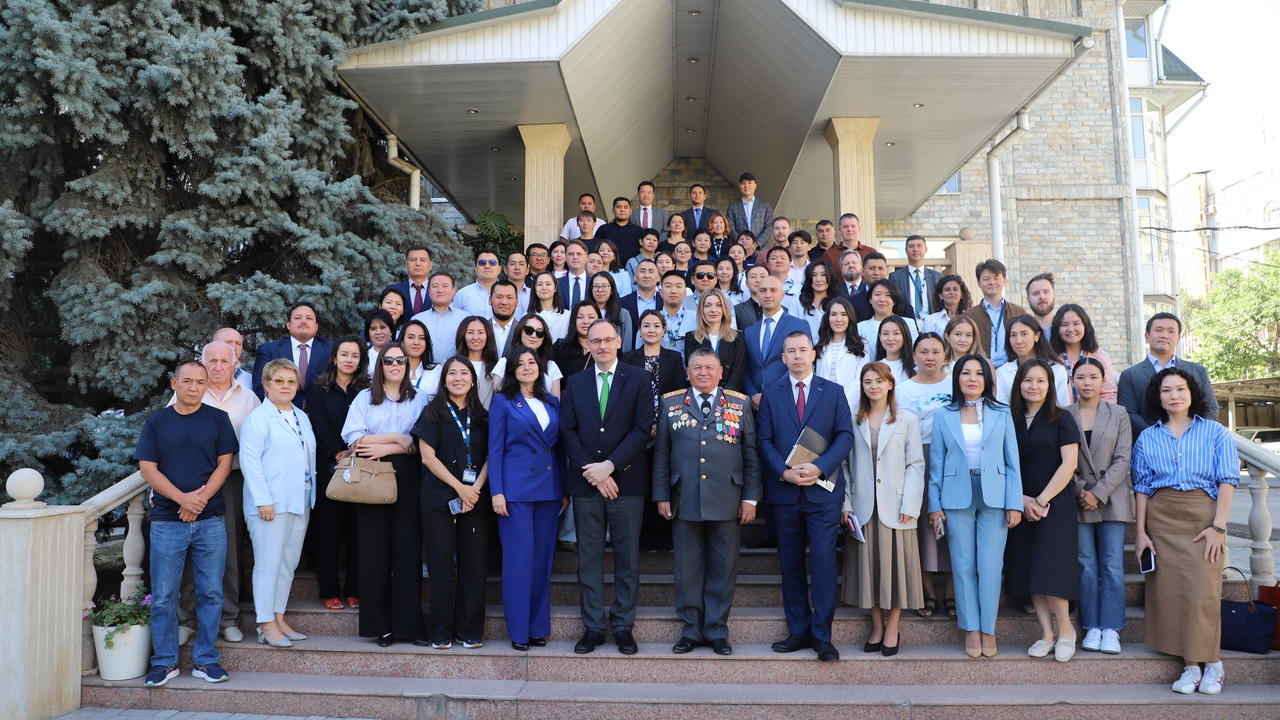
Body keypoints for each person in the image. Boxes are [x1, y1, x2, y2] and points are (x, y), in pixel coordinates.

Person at [1133, 367, 1238, 694]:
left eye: (1180, 389)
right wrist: (1140, 532)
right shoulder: (1148, 436)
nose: (1174, 396)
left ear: (1192, 394)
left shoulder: (1215, 433)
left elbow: (1227, 480)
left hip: (1202, 518)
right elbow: (1142, 487)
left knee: (1202, 591)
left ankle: (1214, 663)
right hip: (1161, 518)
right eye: (1166, 391)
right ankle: (1190, 667)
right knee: (1170, 593)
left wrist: (1218, 527)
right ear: (1158, 397)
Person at [652, 349, 761, 655]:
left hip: (727, 497)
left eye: (708, 368)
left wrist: (750, 497)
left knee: (723, 567)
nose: (702, 372)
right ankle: (690, 630)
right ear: (687, 372)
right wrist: (661, 494)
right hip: (684, 497)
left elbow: (750, 453)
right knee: (686, 568)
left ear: (720, 372)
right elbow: (662, 452)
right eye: (696, 368)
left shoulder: (738, 404)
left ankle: (716, 630)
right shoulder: (672, 402)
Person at [137, 361, 237, 687]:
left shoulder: (218, 420)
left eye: (200, 382)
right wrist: (183, 499)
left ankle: (206, 661)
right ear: (174, 383)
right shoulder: (157, 422)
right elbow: (148, 469)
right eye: (187, 381)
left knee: (210, 592)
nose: (193, 387)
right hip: (168, 521)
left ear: (206, 385)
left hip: (210, 520)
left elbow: (225, 464)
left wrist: (200, 500)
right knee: (165, 595)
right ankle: (165, 662)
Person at [756, 331, 855, 662]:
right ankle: (797, 629)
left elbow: (844, 436)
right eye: (790, 351)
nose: (797, 356)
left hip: (821, 493)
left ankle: (822, 635)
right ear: (783, 358)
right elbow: (764, 441)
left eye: (803, 350)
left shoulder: (834, 392)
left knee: (825, 563)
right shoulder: (771, 393)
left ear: (813, 355)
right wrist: (783, 472)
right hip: (784, 491)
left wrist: (821, 468)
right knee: (791, 563)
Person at [560, 320, 656, 655]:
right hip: (586, 484)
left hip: (626, 483)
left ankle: (622, 626)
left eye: (607, 340)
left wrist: (611, 467)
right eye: (594, 341)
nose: (601, 346)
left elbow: (643, 429)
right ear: (587, 345)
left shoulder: (640, 379)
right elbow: (567, 430)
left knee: (627, 559)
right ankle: (593, 628)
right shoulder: (575, 382)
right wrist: (594, 472)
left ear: (618, 341)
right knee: (589, 559)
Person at [927, 354, 1022, 659]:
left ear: (987, 380)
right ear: (957, 378)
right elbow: (936, 465)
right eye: (966, 373)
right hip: (956, 496)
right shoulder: (943, 415)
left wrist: (1015, 503)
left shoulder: (1002, 413)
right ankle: (970, 628)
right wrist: (934, 505)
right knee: (963, 565)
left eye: (978, 374)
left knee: (991, 566)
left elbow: (1012, 463)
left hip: (994, 494)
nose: (972, 378)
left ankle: (988, 629)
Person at [170, 341, 259, 646]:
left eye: (225, 361)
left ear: (236, 364)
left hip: (232, 481)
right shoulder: (187, 392)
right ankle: (187, 619)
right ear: (204, 363)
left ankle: (229, 618)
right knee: (191, 548)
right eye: (213, 361)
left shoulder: (248, 399)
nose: (219, 366)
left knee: (230, 551)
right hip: (189, 482)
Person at [341, 342, 428, 647]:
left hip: (408, 478)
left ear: (407, 365)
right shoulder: (365, 398)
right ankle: (382, 627)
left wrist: (390, 446)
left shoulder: (419, 399)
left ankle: (410, 626)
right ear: (380, 365)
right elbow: (355, 439)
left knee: (407, 552)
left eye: (400, 361)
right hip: (371, 477)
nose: (394, 365)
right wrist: (396, 439)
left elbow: (419, 442)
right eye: (388, 360)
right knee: (374, 553)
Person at [842, 362, 926, 655]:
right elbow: (845, 466)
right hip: (864, 507)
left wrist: (911, 504)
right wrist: (847, 503)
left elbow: (916, 464)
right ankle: (876, 625)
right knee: (869, 571)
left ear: (890, 384)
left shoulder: (906, 420)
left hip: (897, 506)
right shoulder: (853, 420)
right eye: (867, 381)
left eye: (879, 380)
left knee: (896, 571)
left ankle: (893, 626)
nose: (873, 386)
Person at [413, 357, 493, 649]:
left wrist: (475, 490)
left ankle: (470, 630)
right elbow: (427, 457)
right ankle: (441, 631)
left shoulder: (483, 416)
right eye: (452, 374)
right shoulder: (432, 412)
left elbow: (490, 457)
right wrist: (460, 487)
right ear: (444, 380)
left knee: (473, 567)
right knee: (440, 566)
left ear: (473, 380)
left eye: (464, 373)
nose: (458, 378)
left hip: (475, 500)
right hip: (439, 499)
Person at [1005, 359, 1081, 662]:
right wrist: (1022, 501)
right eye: (1028, 380)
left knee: (1052, 569)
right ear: (1019, 384)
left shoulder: (1062, 419)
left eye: (1040, 381)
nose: (1033, 386)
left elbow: (1069, 464)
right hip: (1019, 505)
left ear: (1050, 385)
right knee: (1029, 569)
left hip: (1055, 503)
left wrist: (1041, 500)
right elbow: (1005, 465)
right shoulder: (1009, 418)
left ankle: (1066, 630)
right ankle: (1046, 634)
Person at [489, 346, 564, 650]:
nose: (526, 367)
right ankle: (519, 632)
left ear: (540, 367)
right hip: (515, 492)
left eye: (531, 362)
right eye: (520, 364)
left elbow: (559, 449)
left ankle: (536, 628)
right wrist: (497, 491)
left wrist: (563, 491)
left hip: (548, 491)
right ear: (512, 371)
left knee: (542, 563)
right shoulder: (503, 402)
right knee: (519, 562)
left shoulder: (552, 402)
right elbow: (494, 450)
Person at [239, 358, 316, 649]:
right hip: (270, 504)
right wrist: (263, 500)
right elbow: (250, 462)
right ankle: (265, 623)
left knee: (287, 564)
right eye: (278, 381)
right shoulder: (259, 418)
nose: (285, 386)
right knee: (268, 564)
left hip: (299, 500)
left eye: (291, 381)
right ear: (267, 384)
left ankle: (279, 617)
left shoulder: (300, 416)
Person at [1065, 357, 1133, 656]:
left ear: (1104, 380)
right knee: (1086, 566)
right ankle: (1091, 625)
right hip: (1079, 498)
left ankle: (1112, 627)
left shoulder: (1118, 413)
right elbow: (1063, 461)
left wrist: (1099, 492)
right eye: (1081, 377)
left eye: (1093, 376)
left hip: (1113, 498)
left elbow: (1123, 459)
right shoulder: (1065, 414)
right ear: (1073, 381)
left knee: (1112, 565)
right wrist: (1082, 490)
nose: (1087, 382)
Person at [305, 337, 368, 612]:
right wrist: (336, 452)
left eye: (355, 355)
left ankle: (354, 589)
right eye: (344, 354)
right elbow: (317, 425)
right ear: (334, 357)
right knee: (327, 531)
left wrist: (354, 451)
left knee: (358, 531)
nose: (349, 360)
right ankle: (329, 590)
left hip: (361, 466)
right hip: (328, 466)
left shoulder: (366, 390)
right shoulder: (318, 390)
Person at [897, 333, 954, 618]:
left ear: (945, 354)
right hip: (915, 458)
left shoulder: (955, 382)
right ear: (915, 355)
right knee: (920, 527)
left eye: (935, 351)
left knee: (954, 524)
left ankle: (953, 593)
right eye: (923, 351)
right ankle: (927, 593)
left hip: (952, 459)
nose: (929, 356)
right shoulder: (903, 388)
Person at [1117, 312, 1219, 437]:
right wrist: (1160, 437)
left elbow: (1211, 409)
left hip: (1193, 446)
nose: (1164, 335)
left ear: (1179, 338)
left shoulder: (1197, 371)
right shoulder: (1130, 375)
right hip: (1151, 447)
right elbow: (1129, 414)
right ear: (1147, 336)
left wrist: (1192, 435)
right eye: (1158, 330)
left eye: (1171, 331)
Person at [743, 276, 809, 406]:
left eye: (773, 290)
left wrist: (768, 395)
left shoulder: (798, 325)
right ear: (757, 295)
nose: (768, 295)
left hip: (786, 400)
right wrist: (752, 396)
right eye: (763, 290)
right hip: (755, 405)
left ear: (783, 295)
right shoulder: (749, 331)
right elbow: (745, 369)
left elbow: (800, 363)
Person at [252, 302, 333, 402]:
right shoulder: (268, 350)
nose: (303, 321)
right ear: (288, 325)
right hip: (279, 413)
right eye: (298, 318)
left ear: (316, 326)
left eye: (309, 318)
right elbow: (260, 387)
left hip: (321, 413)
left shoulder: (331, 349)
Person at [994, 315, 1071, 407]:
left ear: (1037, 336)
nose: (1018, 341)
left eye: (1024, 334)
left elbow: (1063, 406)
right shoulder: (1002, 372)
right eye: (1013, 335)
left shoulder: (1056, 369)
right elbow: (1001, 409)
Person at [962, 259, 1025, 367]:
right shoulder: (969, 316)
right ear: (979, 283)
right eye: (986, 279)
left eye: (996, 278)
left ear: (1004, 281)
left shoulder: (1019, 313)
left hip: (1012, 371)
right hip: (981, 370)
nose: (992, 282)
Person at [1051, 303, 1118, 403]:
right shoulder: (1051, 359)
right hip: (1060, 416)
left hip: (1095, 415)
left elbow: (1108, 394)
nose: (1071, 329)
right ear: (1057, 328)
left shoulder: (1099, 357)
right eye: (1064, 325)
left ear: (1085, 325)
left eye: (1076, 323)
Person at [683, 289, 745, 392]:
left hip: (730, 396)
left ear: (724, 308)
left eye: (718, 305)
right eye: (707, 305)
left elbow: (738, 370)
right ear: (701, 310)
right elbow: (692, 370)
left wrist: (725, 395)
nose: (713, 310)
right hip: (701, 395)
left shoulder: (738, 337)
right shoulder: (691, 337)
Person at [813, 297, 868, 413]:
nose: (838, 319)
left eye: (844, 314)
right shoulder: (818, 343)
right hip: (821, 404)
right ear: (827, 317)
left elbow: (861, 377)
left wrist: (845, 402)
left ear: (850, 317)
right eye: (833, 314)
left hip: (850, 405)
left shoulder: (861, 344)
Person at [492, 313, 564, 397]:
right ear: (520, 331)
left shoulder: (551, 367)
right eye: (529, 330)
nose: (534, 335)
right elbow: (498, 400)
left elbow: (555, 404)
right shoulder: (503, 363)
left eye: (540, 333)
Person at [411, 272, 466, 364]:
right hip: (424, 372)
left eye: (445, 286)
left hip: (456, 373)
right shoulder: (417, 320)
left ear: (453, 291)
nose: (440, 290)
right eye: (435, 286)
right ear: (429, 292)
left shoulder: (466, 318)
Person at [889, 235, 941, 319]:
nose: (915, 249)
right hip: (906, 322)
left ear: (926, 249)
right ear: (906, 251)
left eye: (919, 246)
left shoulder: (936, 276)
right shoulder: (895, 277)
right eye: (911, 246)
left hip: (931, 322)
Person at [857, 280, 918, 352]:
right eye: (877, 294)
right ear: (870, 299)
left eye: (888, 295)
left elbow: (915, 352)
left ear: (894, 301)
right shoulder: (861, 327)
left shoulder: (909, 323)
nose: (882, 299)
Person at [456, 316, 499, 408]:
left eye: (480, 332)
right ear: (462, 335)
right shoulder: (451, 364)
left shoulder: (496, 367)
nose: (476, 337)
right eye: (470, 332)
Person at [589, 271, 635, 353]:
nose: (600, 290)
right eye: (596, 286)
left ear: (611, 290)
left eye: (604, 286)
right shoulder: (586, 313)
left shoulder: (623, 314)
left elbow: (626, 347)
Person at [385, 244, 434, 317]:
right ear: (406, 264)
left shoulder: (439, 291)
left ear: (430, 265)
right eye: (413, 260)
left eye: (422, 260)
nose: (417, 263)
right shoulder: (392, 290)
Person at [797, 259, 841, 337]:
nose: (818, 279)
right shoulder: (797, 302)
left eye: (823, 275)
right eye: (814, 275)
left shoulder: (838, 303)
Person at [453, 249, 503, 318]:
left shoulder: (509, 294)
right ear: (475, 268)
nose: (487, 266)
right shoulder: (462, 294)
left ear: (499, 269)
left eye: (492, 263)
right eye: (482, 263)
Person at [655, 271, 696, 353]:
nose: (673, 291)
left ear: (685, 293)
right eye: (668, 286)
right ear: (661, 292)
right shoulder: (651, 319)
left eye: (678, 286)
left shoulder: (696, 319)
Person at [726, 172, 773, 240]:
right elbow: (730, 228)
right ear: (739, 186)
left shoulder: (765, 206)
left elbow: (769, 227)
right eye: (743, 183)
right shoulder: (732, 207)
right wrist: (741, 242)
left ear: (755, 186)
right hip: (740, 247)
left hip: (761, 248)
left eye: (749, 183)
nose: (746, 186)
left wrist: (757, 244)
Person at [400, 319, 441, 397]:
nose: (416, 342)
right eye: (411, 337)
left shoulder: (437, 371)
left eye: (421, 338)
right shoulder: (393, 368)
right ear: (402, 342)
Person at [873, 315, 917, 383]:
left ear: (905, 336)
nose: (890, 338)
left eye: (896, 333)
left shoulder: (916, 368)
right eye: (885, 333)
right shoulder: (873, 368)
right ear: (880, 337)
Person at [621, 258, 661, 329]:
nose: (646, 275)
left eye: (651, 271)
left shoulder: (666, 302)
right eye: (642, 271)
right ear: (635, 276)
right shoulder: (622, 303)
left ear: (658, 278)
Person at [531, 271, 571, 342]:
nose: (544, 287)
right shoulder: (528, 315)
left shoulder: (567, 316)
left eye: (548, 284)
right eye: (540, 284)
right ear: (534, 288)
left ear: (555, 288)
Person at [212, 327, 254, 393]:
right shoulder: (202, 377)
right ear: (214, 345)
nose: (234, 348)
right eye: (228, 342)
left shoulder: (250, 380)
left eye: (238, 344)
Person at [487, 280, 521, 354]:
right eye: (499, 297)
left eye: (509, 297)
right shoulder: (481, 329)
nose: (504, 302)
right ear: (490, 300)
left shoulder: (523, 331)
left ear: (517, 302)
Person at [733, 264, 770, 330]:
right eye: (753, 277)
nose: (758, 280)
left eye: (762, 276)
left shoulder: (781, 310)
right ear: (747, 284)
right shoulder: (737, 310)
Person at [839, 250, 873, 321]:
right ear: (841, 269)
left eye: (854, 263)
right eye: (846, 264)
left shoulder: (870, 289)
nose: (851, 266)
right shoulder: (834, 290)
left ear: (861, 266)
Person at [558, 240, 591, 309]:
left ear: (586, 257)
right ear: (565, 257)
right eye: (571, 254)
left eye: (579, 254)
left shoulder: (594, 283)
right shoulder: (556, 283)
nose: (575, 257)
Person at [363, 309, 396, 375]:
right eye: (373, 328)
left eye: (382, 327)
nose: (378, 332)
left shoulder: (401, 355)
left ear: (391, 331)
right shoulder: (364, 357)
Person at [1025, 272, 1058, 336]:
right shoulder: (1023, 333)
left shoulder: (1065, 330)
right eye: (1036, 293)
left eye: (1046, 292)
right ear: (1028, 300)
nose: (1042, 297)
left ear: (1054, 296)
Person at [504, 251, 533, 316]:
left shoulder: (533, 294)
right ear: (505, 269)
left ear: (527, 270)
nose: (517, 267)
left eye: (521, 264)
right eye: (512, 264)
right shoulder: (497, 294)